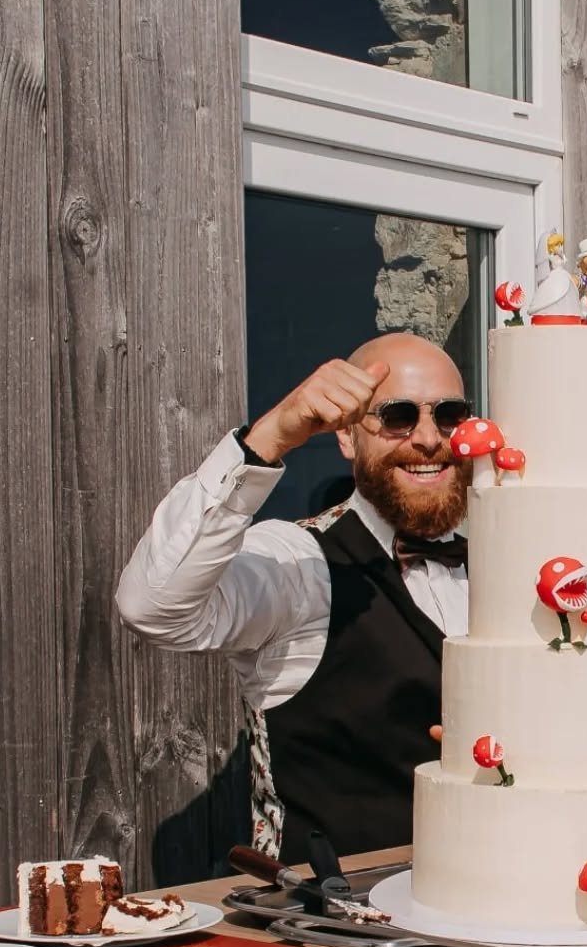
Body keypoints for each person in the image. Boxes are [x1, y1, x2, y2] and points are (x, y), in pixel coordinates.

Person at [117, 332, 471, 862]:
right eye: (397, 416)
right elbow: (154, 608)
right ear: (348, 437)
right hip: (340, 927)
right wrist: (270, 438)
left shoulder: (508, 562)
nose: (427, 438)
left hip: (505, 909)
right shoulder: (297, 563)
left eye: (449, 415)